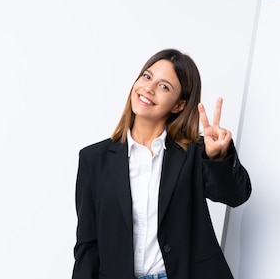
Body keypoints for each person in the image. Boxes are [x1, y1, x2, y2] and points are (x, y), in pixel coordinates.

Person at [72, 48, 252, 279]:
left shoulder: (195, 154)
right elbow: (88, 243)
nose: (148, 88)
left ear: (179, 105)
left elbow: (236, 196)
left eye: (164, 86)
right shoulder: (94, 159)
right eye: (147, 77)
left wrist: (218, 157)